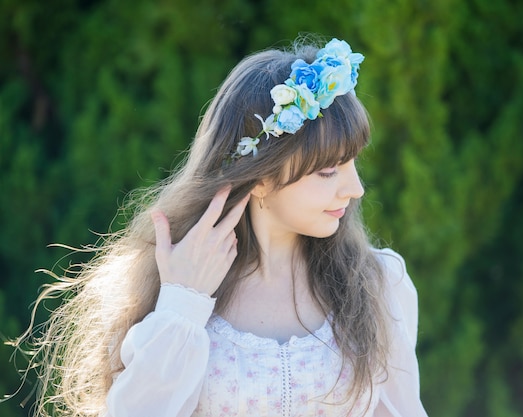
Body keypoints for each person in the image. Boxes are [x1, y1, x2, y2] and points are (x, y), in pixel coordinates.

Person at [16, 37, 428, 417]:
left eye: (353, 164)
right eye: (328, 172)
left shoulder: (378, 283)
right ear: (261, 176)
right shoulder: (172, 291)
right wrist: (183, 305)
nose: (354, 189)